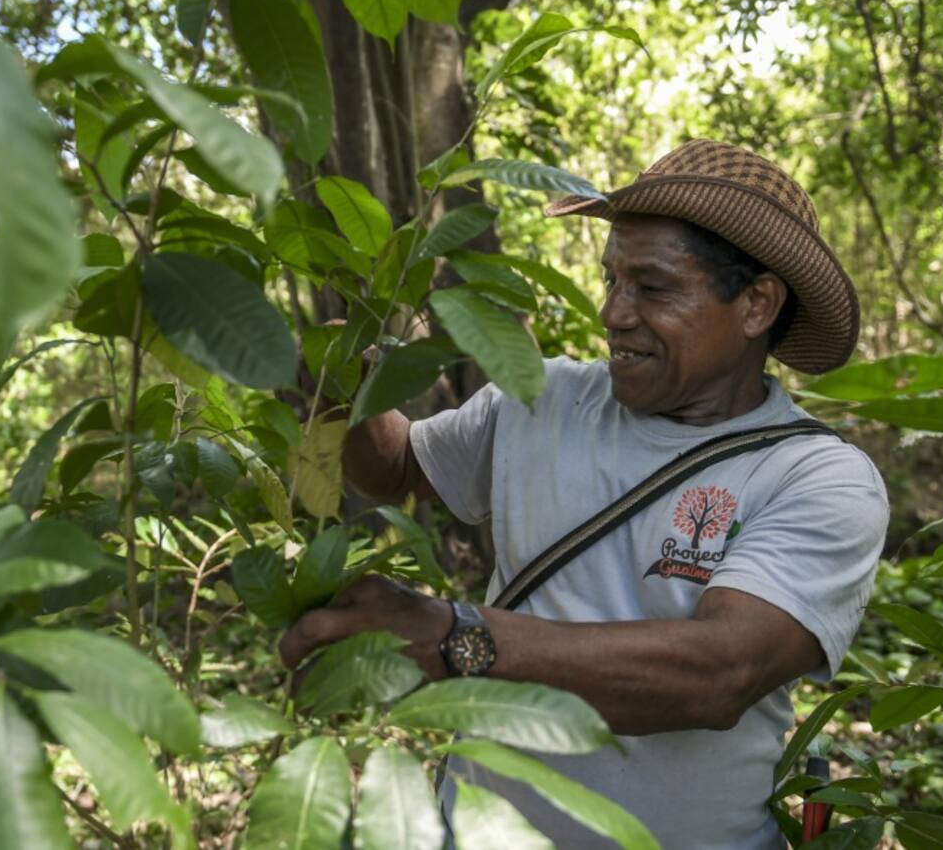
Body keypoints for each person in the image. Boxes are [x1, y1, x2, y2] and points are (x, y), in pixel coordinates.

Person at [278, 139, 890, 849]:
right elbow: (399, 468)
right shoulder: (544, 397)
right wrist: (347, 388)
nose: (613, 313)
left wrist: (457, 639)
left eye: (653, 288)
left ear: (756, 304)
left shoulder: (815, 476)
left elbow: (720, 670)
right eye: (611, 280)